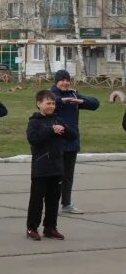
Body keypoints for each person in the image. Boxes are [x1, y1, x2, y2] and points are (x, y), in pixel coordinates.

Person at [26, 90, 77, 241]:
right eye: (48, 103)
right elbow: (33, 139)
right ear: (39, 104)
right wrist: (50, 130)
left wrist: (65, 129)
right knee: (37, 200)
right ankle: (32, 227)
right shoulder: (34, 121)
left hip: (56, 166)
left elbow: (73, 135)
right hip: (41, 167)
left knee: (53, 199)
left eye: (53, 103)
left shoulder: (58, 119)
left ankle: (50, 227)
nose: (51, 106)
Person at [51, 69, 99, 214]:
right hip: (56, 141)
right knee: (54, 175)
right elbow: (48, 101)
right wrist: (61, 100)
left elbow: (95, 103)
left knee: (68, 175)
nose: (65, 83)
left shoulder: (73, 95)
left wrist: (81, 101)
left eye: (67, 80)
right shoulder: (51, 94)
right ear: (56, 81)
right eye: (62, 80)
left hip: (71, 141)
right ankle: (50, 203)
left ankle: (66, 204)